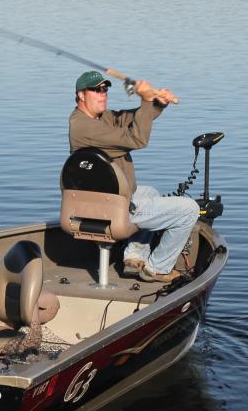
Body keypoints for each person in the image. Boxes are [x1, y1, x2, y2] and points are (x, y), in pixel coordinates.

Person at [68, 70, 199, 283]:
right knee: (189, 209)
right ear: (81, 95)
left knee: (151, 192)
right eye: (96, 90)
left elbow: (132, 118)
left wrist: (156, 102)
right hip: (110, 208)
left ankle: (134, 257)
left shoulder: (99, 118)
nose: (103, 94)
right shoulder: (85, 128)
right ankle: (157, 269)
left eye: (105, 89)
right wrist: (146, 100)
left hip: (107, 199)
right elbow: (136, 139)